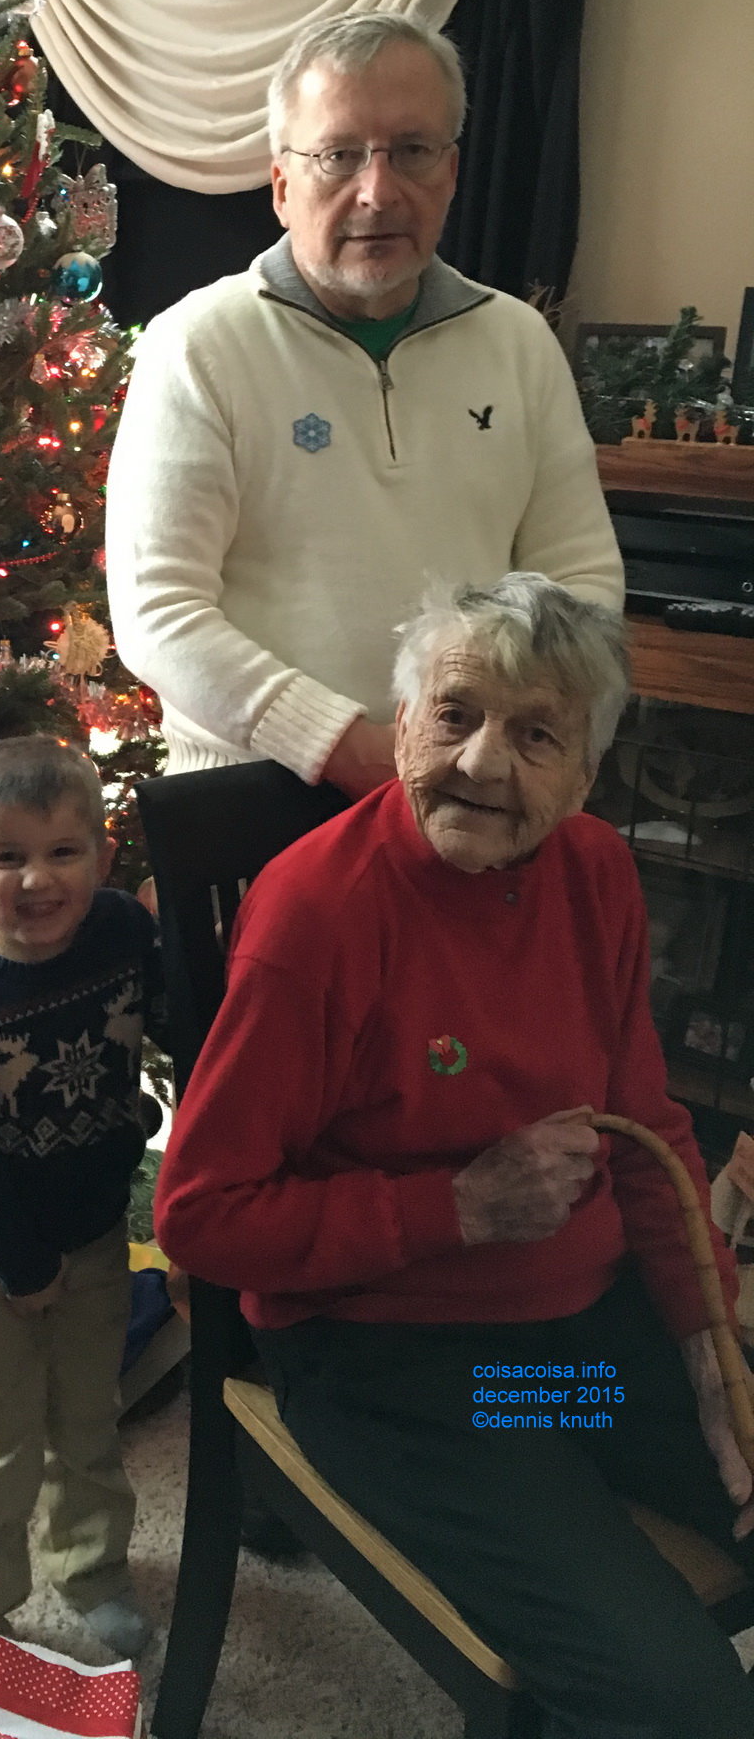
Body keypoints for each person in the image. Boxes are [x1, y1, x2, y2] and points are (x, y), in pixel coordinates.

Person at [156, 573, 754, 1738]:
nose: (485, 763)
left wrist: (708, 1340)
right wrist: (457, 1210)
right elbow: (204, 1212)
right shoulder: (318, 915)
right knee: (679, 1699)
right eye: (456, 714)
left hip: (572, 1345)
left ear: (587, 773)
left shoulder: (597, 875)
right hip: (407, 1361)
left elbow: (648, 1132)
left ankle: (576, 1474)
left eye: (537, 734)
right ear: (403, 718)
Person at [105, 10, 624, 801]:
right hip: (259, 805)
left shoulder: (520, 343)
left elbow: (580, 579)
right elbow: (157, 613)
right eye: (339, 155)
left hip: (477, 802)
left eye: (412, 152)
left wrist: (514, 751)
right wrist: (352, 748)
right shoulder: (195, 347)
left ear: (450, 173)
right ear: (282, 185)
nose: (378, 192)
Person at [0, 736, 159, 1659]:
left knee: (88, 1421)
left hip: (95, 1231)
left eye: (63, 852)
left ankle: (92, 1572)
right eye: (7, 856)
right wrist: (20, 1266)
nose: (37, 879)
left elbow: (172, 1022)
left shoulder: (123, 933)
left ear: (101, 856)